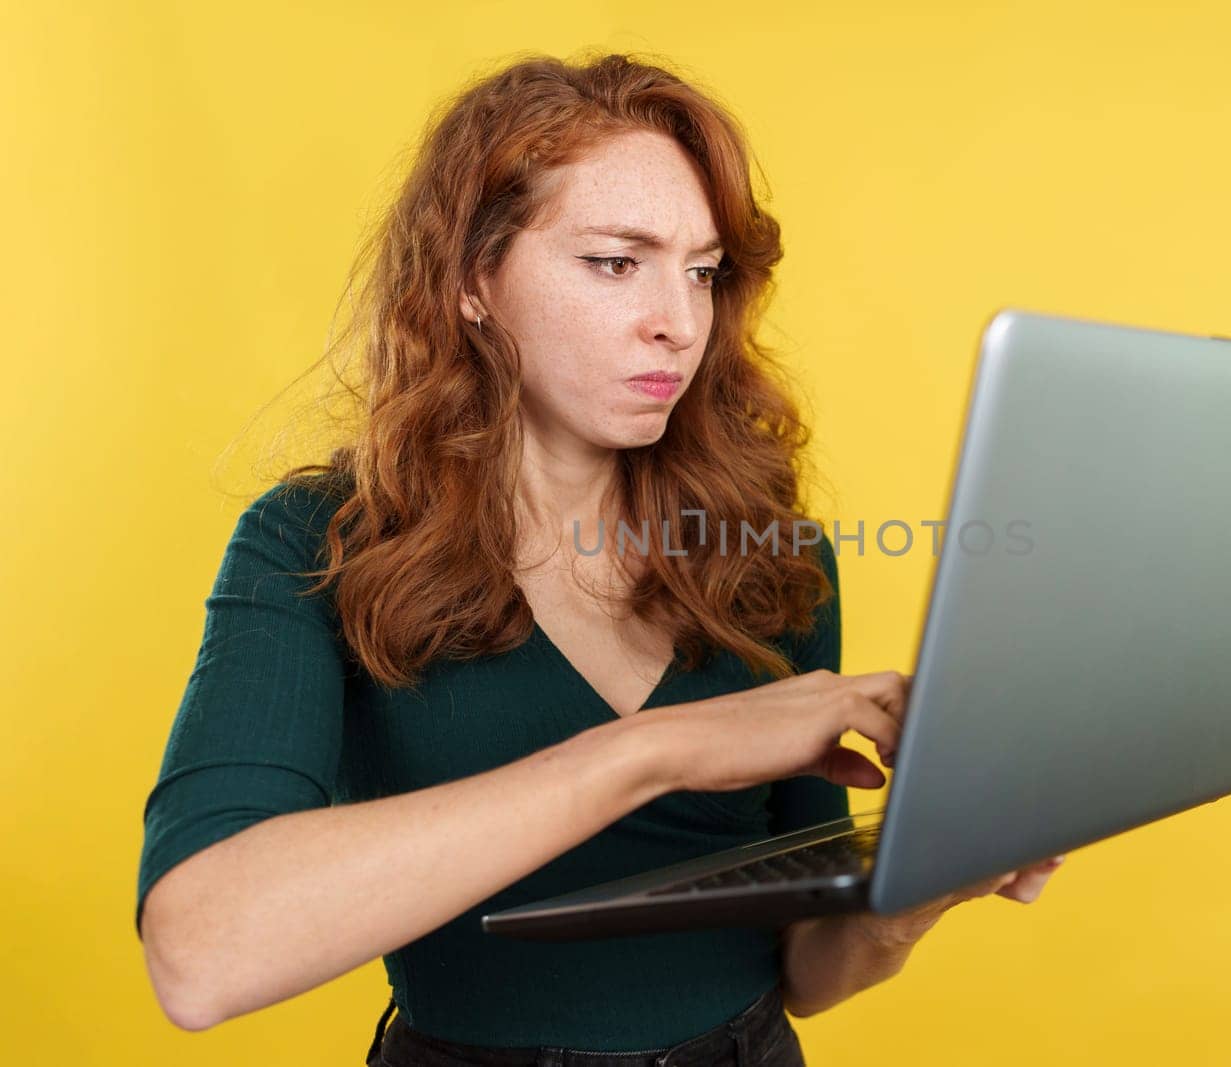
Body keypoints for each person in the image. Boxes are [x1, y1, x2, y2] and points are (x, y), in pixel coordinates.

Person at [134, 51, 1062, 1066]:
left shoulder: (771, 551)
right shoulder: (315, 543)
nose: (678, 321)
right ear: (472, 280)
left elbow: (805, 967)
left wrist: (917, 889)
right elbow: (200, 954)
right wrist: (652, 753)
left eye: (701, 271)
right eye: (616, 261)